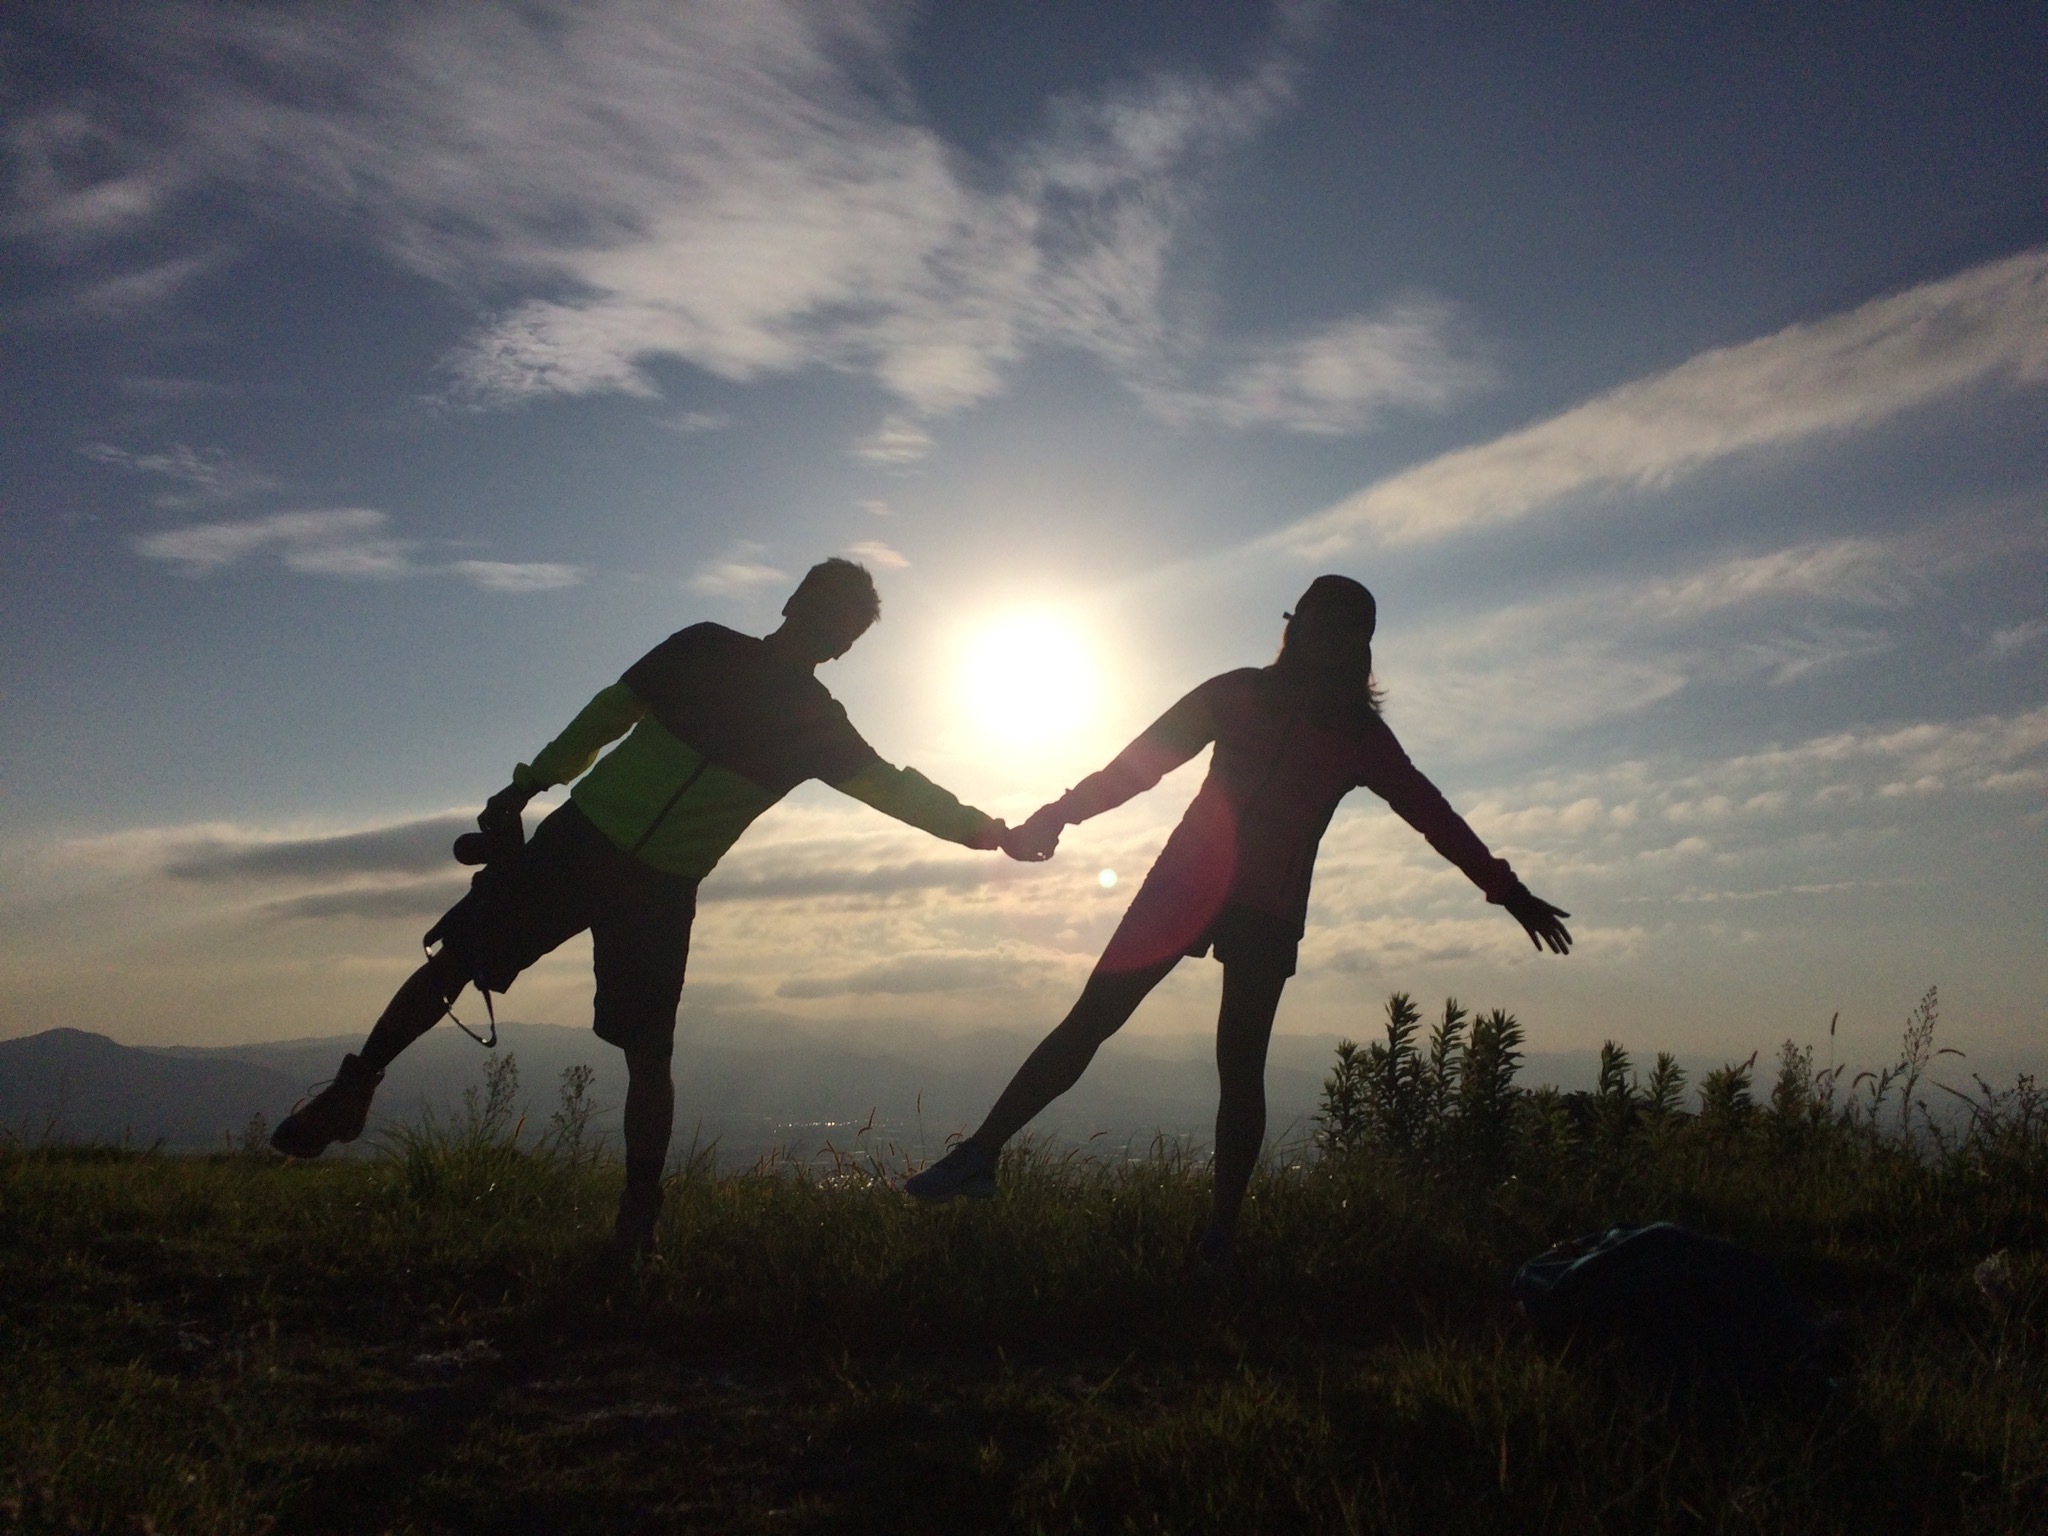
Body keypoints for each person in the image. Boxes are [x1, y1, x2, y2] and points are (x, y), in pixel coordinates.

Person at [272, 558, 1015, 1255]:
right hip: (593, 848)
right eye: (828, 617)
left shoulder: (808, 716)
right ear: (794, 604)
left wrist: (984, 832)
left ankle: (637, 1213)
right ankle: (352, 1093)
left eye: (842, 630)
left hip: (649, 878)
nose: (829, 634)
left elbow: (892, 787)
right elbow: (608, 714)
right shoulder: (705, 649)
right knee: (462, 961)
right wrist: (531, 782)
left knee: (642, 1049)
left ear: (844, 646)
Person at [905, 575, 1572, 1274]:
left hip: (1267, 908)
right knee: (1092, 1018)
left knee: (1241, 1067)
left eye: (1341, 630)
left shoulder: (1360, 738)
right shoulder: (1238, 692)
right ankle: (981, 1155)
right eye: (1316, 622)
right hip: (1183, 886)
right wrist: (1059, 812)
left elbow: (1434, 816)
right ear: (1297, 626)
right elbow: (1138, 766)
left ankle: (1220, 1238)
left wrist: (1508, 890)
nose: (1324, 638)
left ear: (1359, 646)